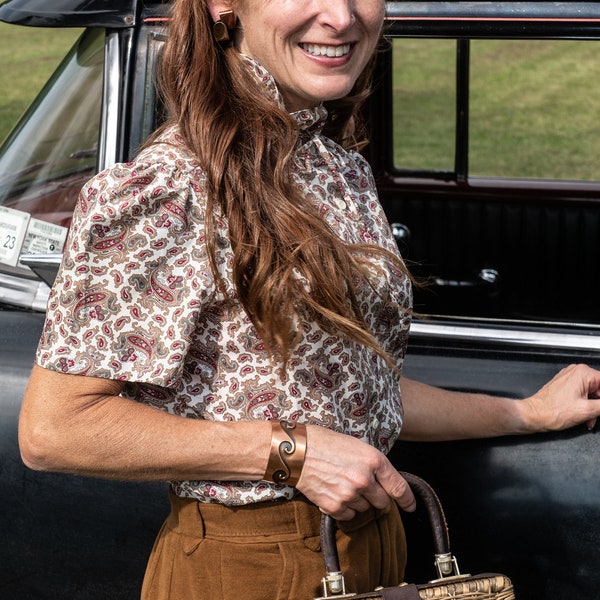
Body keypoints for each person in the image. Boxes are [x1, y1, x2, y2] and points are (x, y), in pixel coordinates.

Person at [18, 0, 600, 598]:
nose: (342, 17)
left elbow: (360, 394)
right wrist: (293, 454)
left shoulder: (338, 167)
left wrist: (526, 413)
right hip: (249, 563)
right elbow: (56, 429)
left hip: (375, 545)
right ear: (225, 9)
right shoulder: (170, 183)